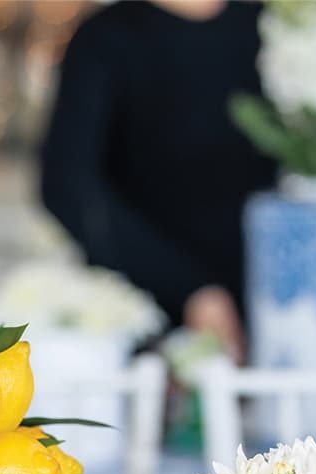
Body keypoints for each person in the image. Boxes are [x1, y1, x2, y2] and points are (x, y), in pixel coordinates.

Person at [41, 0, 277, 361]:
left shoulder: (277, 31)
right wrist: (192, 290)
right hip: (145, 321)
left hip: (276, 314)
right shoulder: (106, 36)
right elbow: (67, 188)